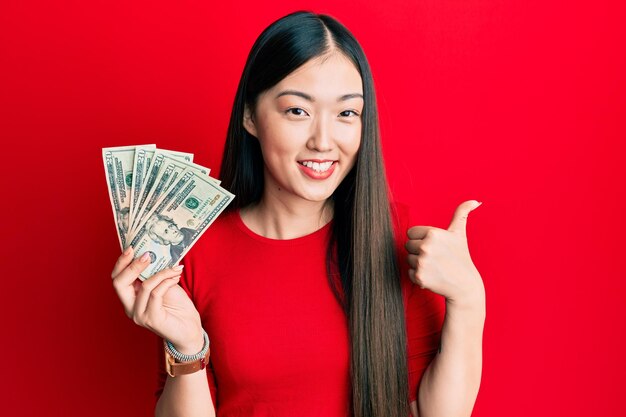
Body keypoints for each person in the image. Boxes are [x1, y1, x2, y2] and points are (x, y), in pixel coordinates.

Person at [110, 11, 485, 417]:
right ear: (250, 117)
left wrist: (469, 299)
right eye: (297, 111)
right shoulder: (195, 252)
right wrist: (187, 347)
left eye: (346, 113)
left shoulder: (390, 239)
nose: (323, 141)